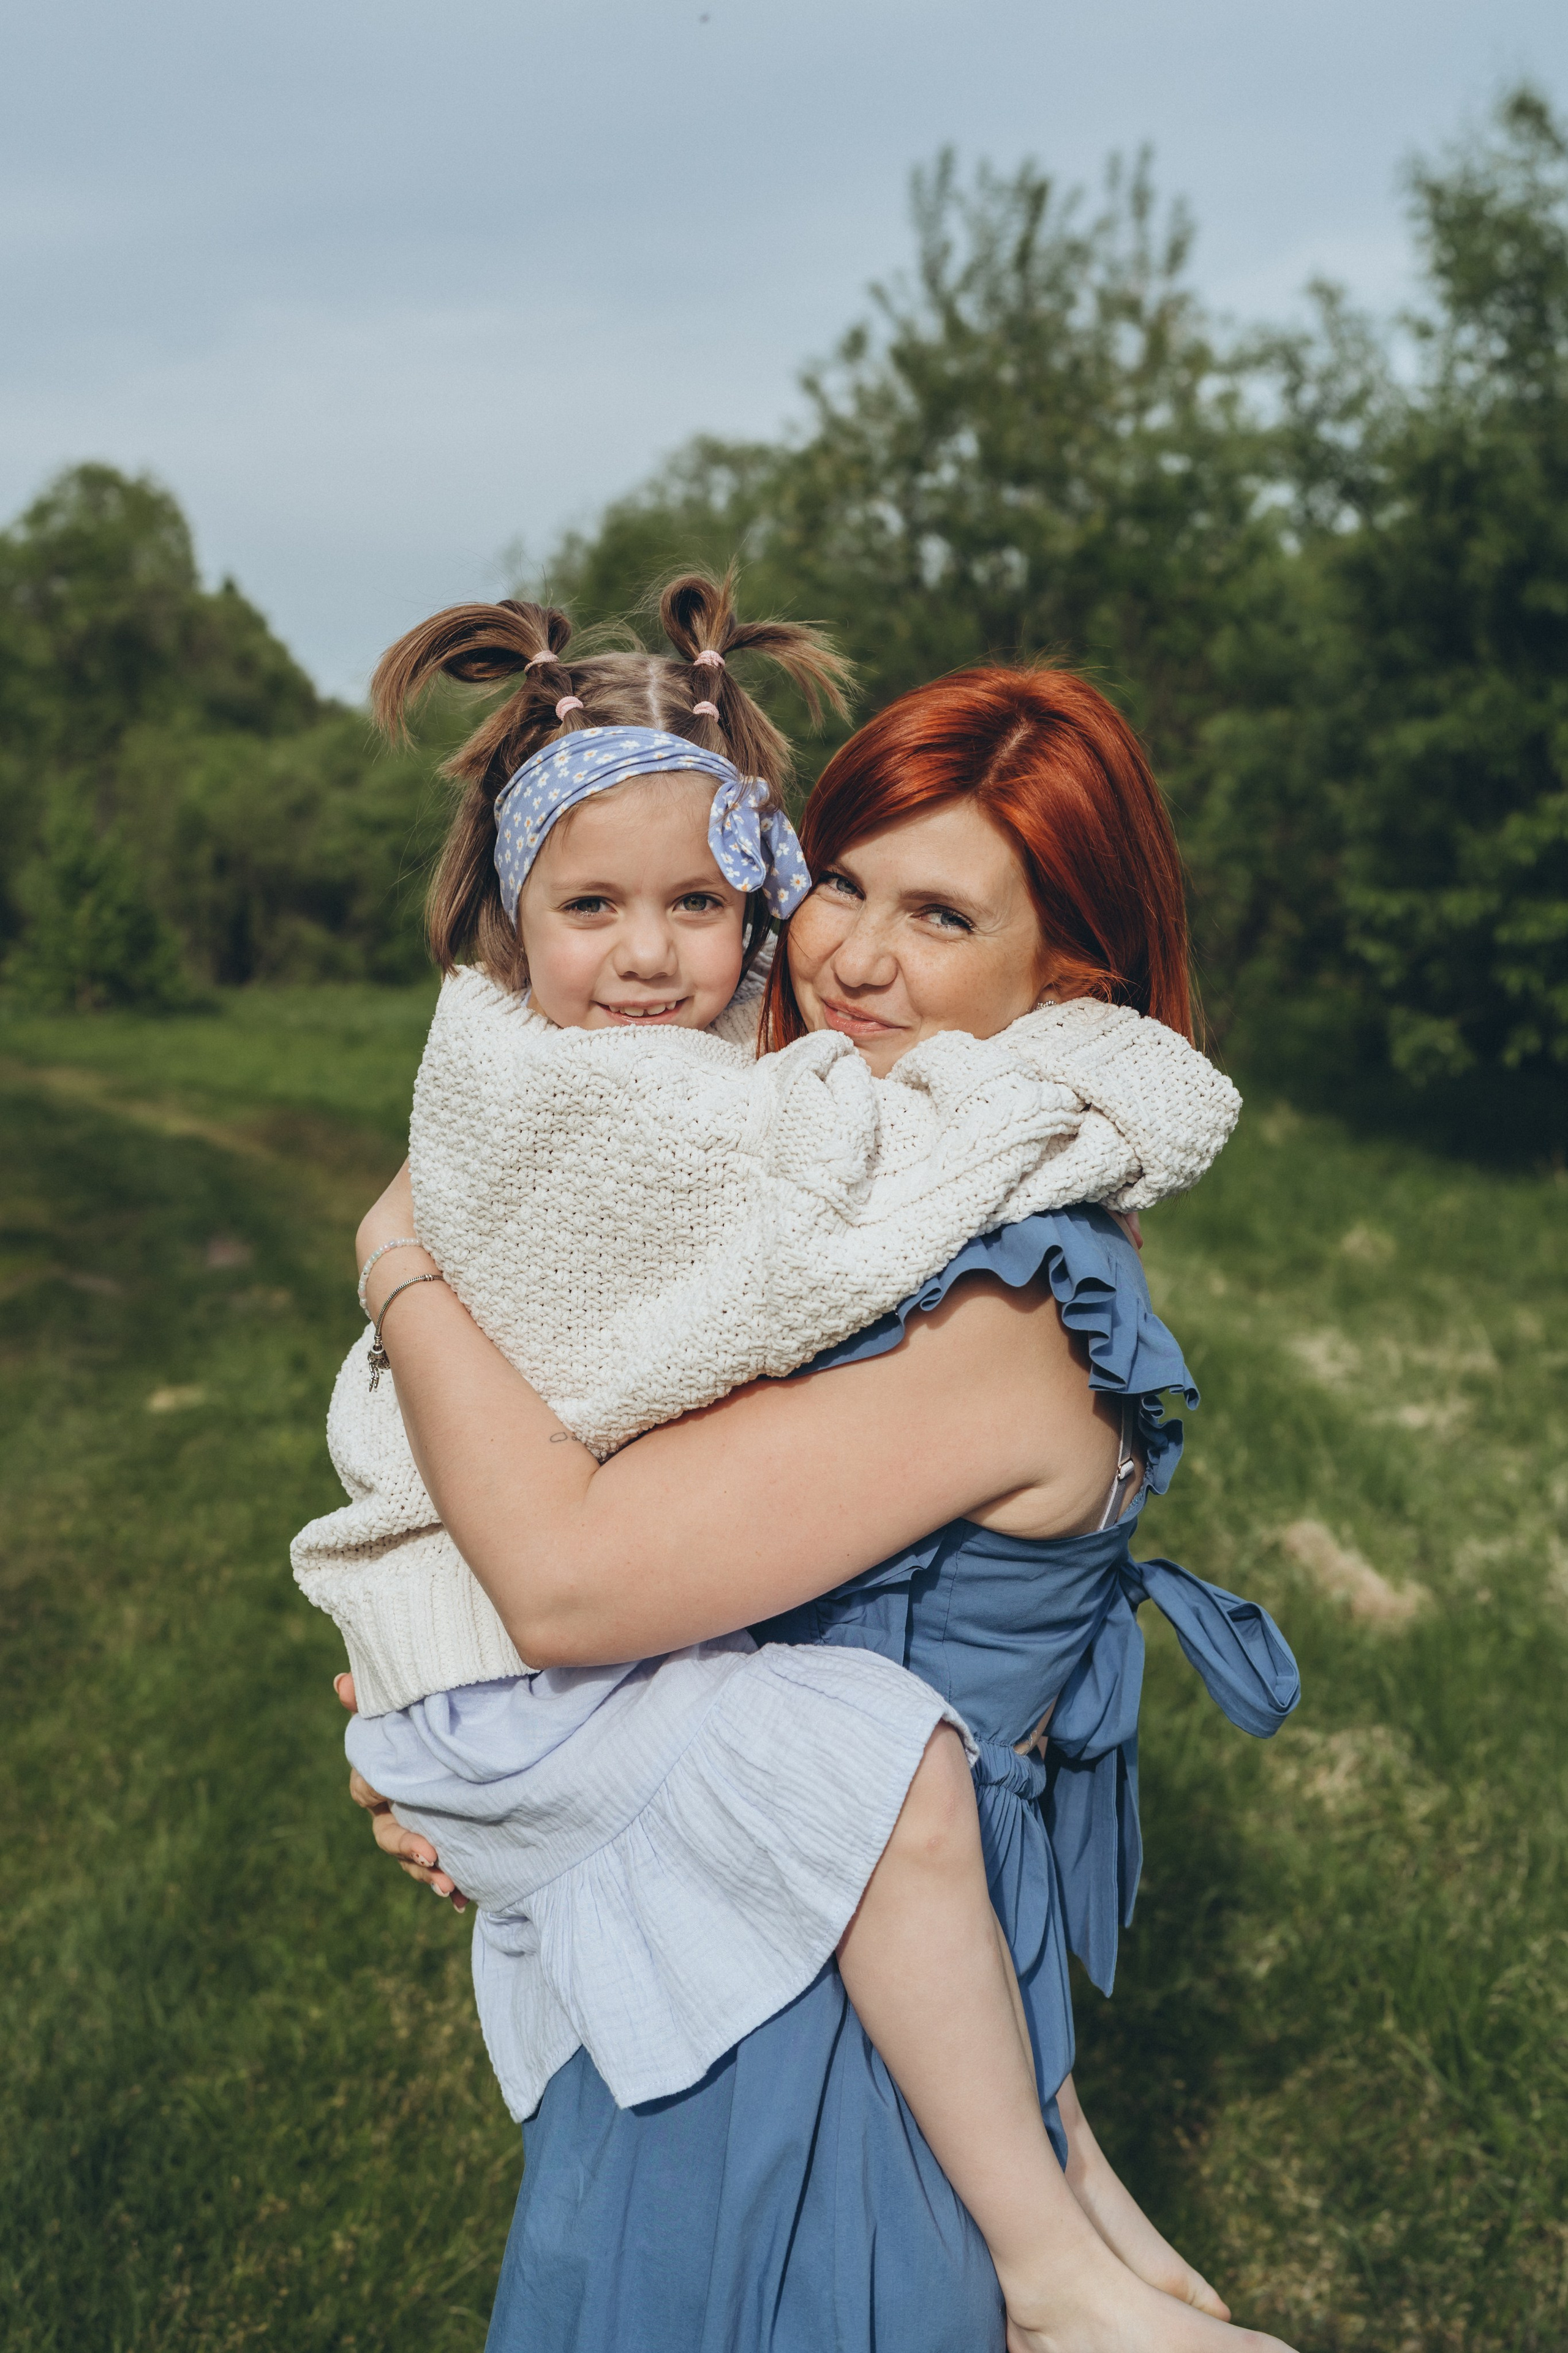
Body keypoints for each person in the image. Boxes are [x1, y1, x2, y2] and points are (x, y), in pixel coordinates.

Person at [349, 652, 1300, 2352]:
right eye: (843, 880)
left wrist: (396, 1258)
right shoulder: (865, 1200)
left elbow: (570, 1577)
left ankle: (1057, 2245)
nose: (854, 952)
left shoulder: (1003, 1311)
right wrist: (466, 1734)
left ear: (1067, 970)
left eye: (940, 916)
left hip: (818, 2045)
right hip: (750, 1918)